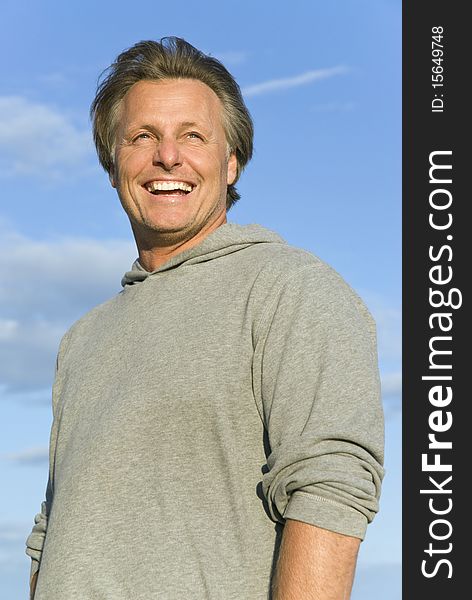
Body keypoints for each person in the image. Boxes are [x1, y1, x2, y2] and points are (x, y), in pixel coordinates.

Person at [26, 37, 384, 600]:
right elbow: (52, 531)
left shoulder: (291, 288)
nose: (168, 156)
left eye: (193, 135)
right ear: (112, 165)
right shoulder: (82, 340)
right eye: (142, 136)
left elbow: (330, 486)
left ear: (231, 161)